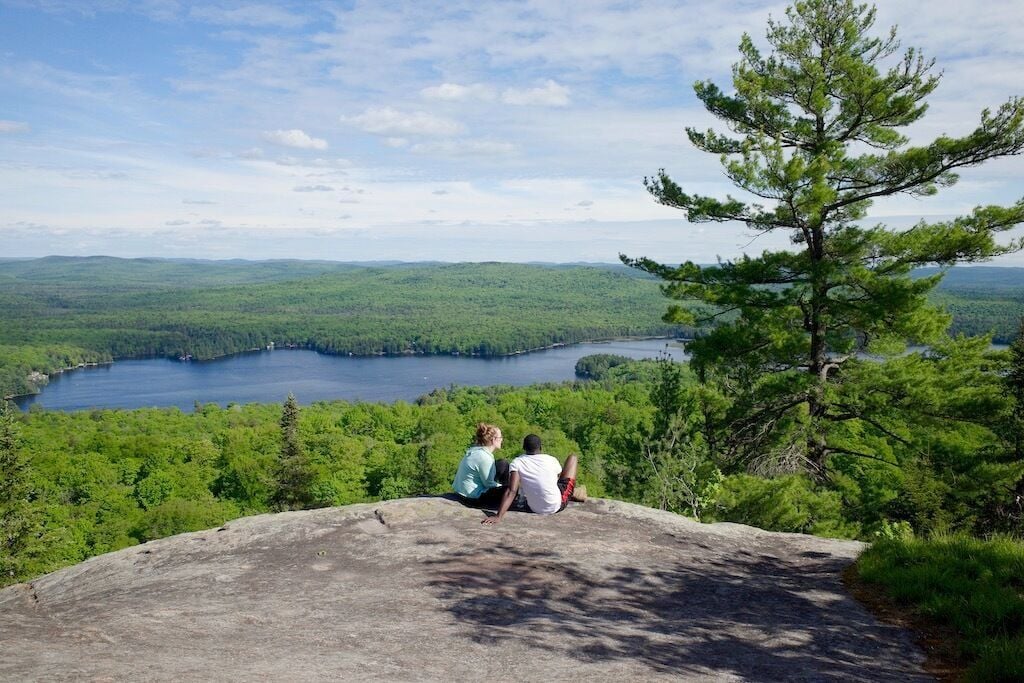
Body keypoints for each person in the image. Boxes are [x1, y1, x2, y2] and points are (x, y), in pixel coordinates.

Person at [482, 434, 578, 525]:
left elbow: (512, 490)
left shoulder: (517, 462)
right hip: (555, 506)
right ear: (541, 447)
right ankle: (575, 493)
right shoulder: (551, 460)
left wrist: (499, 516)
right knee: (573, 458)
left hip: (534, 508)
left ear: (524, 448)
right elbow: (559, 478)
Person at [452, 423, 509, 508]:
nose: (502, 439)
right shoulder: (485, 458)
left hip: (461, 492)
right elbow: (488, 484)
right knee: (510, 490)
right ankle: (507, 502)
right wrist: (504, 487)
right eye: (500, 437)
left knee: (502, 464)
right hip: (472, 498)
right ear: (494, 440)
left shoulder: (475, 450)